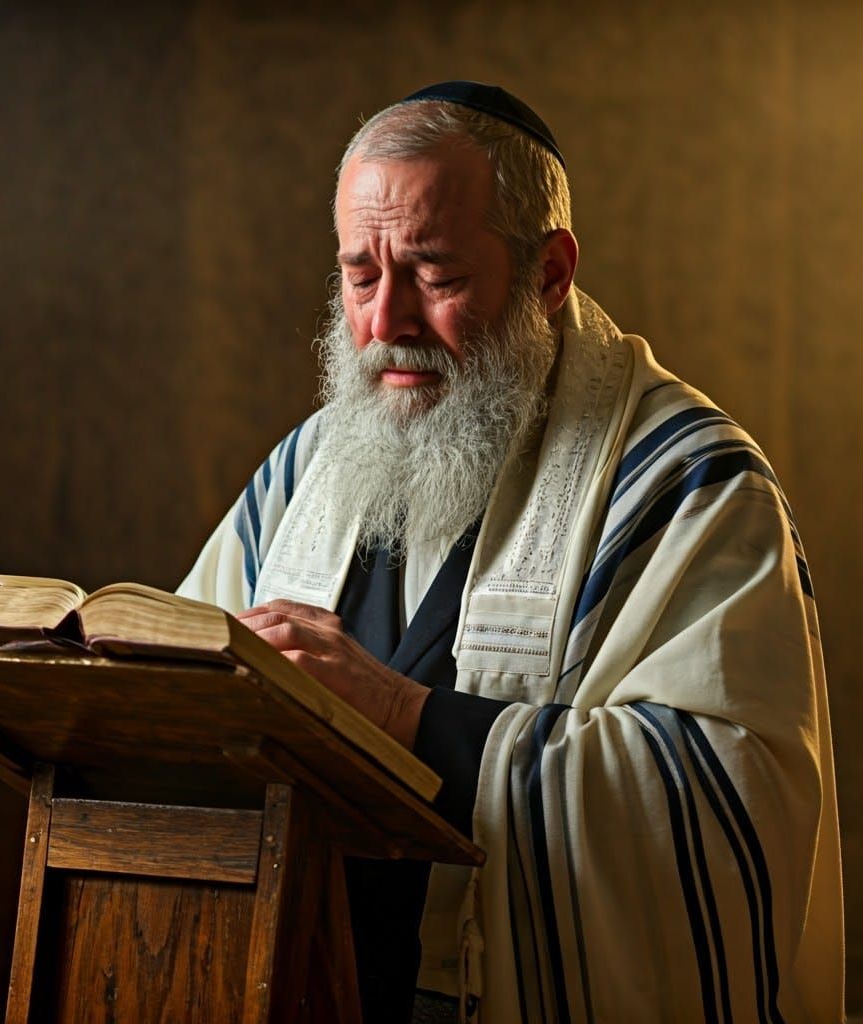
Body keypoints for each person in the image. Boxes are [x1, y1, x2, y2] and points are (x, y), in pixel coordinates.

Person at [178, 82, 843, 1024]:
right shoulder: (307, 472)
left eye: (435, 275)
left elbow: (723, 802)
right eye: (361, 275)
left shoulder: (683, 485)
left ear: (549, 273)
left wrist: (406, 716)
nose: (386, 323)